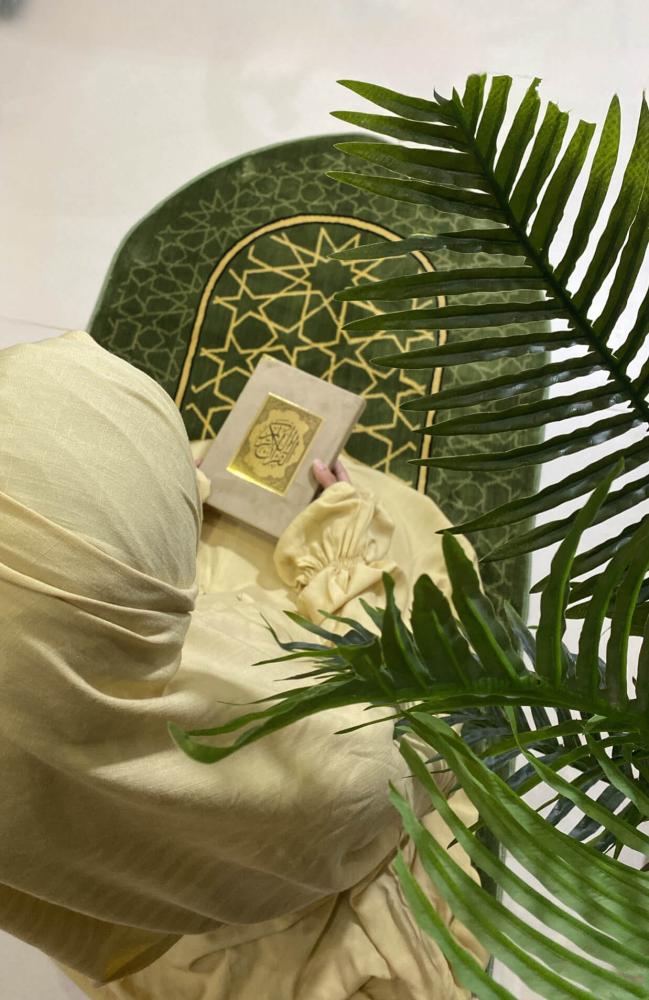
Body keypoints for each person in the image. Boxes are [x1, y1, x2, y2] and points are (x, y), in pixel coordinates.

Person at [0, 329, 488, 1000]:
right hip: (265, 885)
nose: (194, 478)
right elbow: (413, 728)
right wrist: (341, 553)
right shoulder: (331, 772)